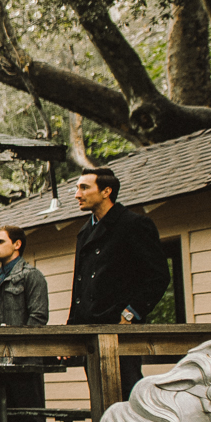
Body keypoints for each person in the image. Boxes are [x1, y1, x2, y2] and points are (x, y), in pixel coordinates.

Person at [67, 167, 169, 401]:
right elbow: (80, 283)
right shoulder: (85, 232)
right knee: (100, 400)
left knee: (127, 398)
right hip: (89, 332)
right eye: (77, 188)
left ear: (106, 191)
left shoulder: (134, 224)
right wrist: (72, 326)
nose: (77, 194)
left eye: (84, 187)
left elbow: (158, 275)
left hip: (119, 329)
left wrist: (131, 313)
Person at [0, 224, 50, 422]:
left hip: (25, 363)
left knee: (32, 421)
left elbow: (38, 317)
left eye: (0, 241)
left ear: (17, 244)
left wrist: (18, 352)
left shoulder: (32, 276)